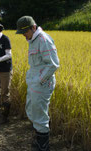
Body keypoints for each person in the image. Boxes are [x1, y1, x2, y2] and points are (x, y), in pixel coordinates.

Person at [16, 16, 59, 151]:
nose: (24, 35)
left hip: (42, 83)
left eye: (25, 32)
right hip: (35, 82)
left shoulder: (43, 40)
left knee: (39, 113)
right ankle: (39, 138)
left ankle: (43, 146)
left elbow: (53, 65)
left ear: (33, 28)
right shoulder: (33, 40)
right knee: (32, 110)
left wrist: (38, 81)